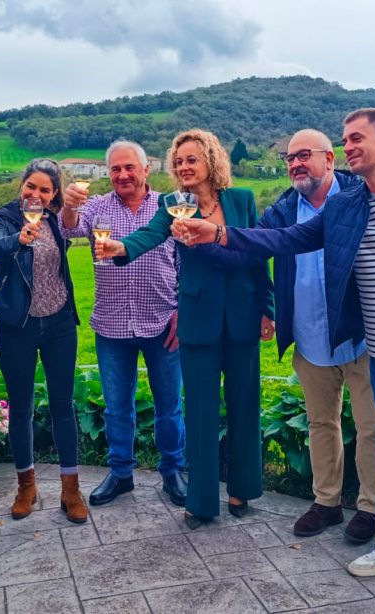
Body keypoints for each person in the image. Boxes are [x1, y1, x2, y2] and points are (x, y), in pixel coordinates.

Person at [180, 109, 375, 600]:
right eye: (345, 139)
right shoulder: (346, 208)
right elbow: (285, 239)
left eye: (355, 138)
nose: (349, 146)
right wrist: (218, 233)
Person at [94, 129, 273, 528]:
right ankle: (202, 500)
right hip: (197, 319)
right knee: (200, 411)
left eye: (191, 159)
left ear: (211, 160)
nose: (184, 167)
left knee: (245, 405)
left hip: (243, 316)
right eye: (178, 162)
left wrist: (268, 308)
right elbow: (149, 234)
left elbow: (258, 254)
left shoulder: (242, 199)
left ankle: (243, 488)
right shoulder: (174, 204)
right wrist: (120, 248)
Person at [260, 129, 375, 545]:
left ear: (329, 159)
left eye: (304, 155)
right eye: (289, 158)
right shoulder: (282, 210)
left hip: (362, 336)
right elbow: (253, 250)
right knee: (320, 423)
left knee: (371, 427)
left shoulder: (359, 195)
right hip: (310, 336)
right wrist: (265, 305)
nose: (295, 164)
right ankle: (327, 503)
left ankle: (370, 508)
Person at [59, 140, 187, 507]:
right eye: (115, 169)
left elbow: (186, 260)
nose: (123, 174)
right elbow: (68, 229)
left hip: (162, 321)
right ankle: (120, 473)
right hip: (112, 323)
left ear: (146, 169)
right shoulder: (97, 206)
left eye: (130, 167)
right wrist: (69, 205)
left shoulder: (169, 206)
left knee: (169, 405)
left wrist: (182, 310)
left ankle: (173, 471)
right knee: (116, 407)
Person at [0, 158, 87, 524]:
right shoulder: (5, 218)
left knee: (63, 405)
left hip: (59, 324)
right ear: (21, 185)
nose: (36, 194)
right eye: (31, 186)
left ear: (53, 193)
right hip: (18, 326)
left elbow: (79, 223)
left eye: (45, 190)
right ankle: (25, 486)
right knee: (21, 407)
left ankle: (71, 489)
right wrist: (19, 238)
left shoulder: (58, 221)